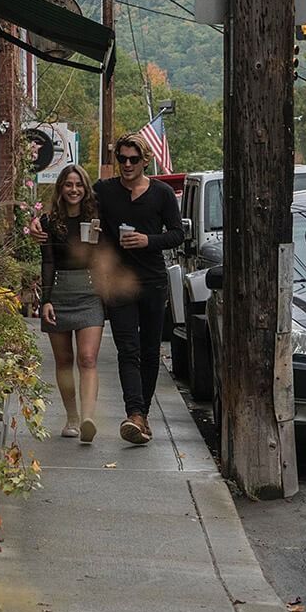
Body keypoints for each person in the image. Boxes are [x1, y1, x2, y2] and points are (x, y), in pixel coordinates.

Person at [31, 134, 183, 445]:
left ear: (145, 161)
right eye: (122, 159)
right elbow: (73, 204)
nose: (127, 164)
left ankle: (143, 415)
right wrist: (38, 225)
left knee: (150, 349)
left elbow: (178, 234)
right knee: (128, 349)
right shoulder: (105, 191)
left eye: (133, 159)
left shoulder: (163, 194)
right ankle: (134, 414)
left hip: (152, 280)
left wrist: (148, 241)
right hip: (116, 283)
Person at [39, 164, 105, 443]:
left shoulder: (98, 218)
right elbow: (48, 261)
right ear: (61, 188)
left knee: (87, 358)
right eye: (68, 184)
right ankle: (72, 418)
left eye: (79, 184)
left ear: (85, 187)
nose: (74, 189)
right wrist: (46, 300)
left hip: (90, 293)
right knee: (64, 360)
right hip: (59, 294)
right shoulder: (49, 222)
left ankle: (88, 419)